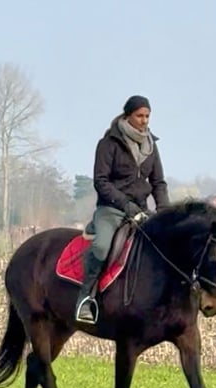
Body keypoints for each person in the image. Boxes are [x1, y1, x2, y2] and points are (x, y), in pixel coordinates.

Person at [75, 94, 170, 324]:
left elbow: (158, 182)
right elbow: (101, 181)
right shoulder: (108, 144)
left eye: (147, 116)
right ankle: (85, 298)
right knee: (101, 246)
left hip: (141, 210)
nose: (144, 120)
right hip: (111, 210)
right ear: (128, 116)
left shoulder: (151, 146)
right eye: (139, 116)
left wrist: (164, 211)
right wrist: (125, 204)